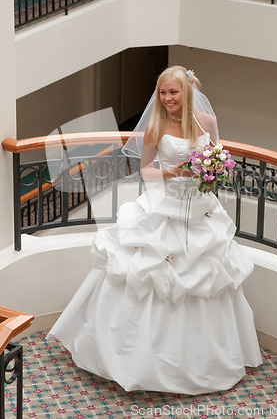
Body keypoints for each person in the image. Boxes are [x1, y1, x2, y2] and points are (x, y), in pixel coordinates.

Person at [47, 65, 262, 395]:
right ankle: (129, 358)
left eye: (173, 92)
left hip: (199, 208)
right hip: (162, 205)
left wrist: (210, 175)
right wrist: (172, 173)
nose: (167, 99)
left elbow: (217, 159)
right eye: (162, 93)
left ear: (187, 92)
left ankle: (200, 359)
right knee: (147, 274)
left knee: (203, 277)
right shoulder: (155, 125)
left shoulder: (207, 122)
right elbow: (145, 170)